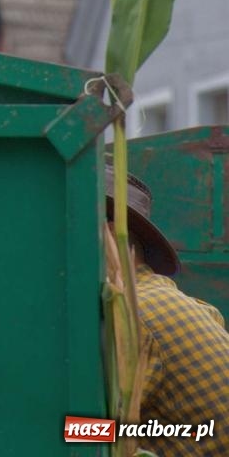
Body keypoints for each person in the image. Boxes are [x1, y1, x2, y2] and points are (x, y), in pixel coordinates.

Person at [105, 165, 229, 455]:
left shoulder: (133, 314)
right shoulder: (177, 301)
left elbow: (95, 433)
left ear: (109, 235)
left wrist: (56, 428)